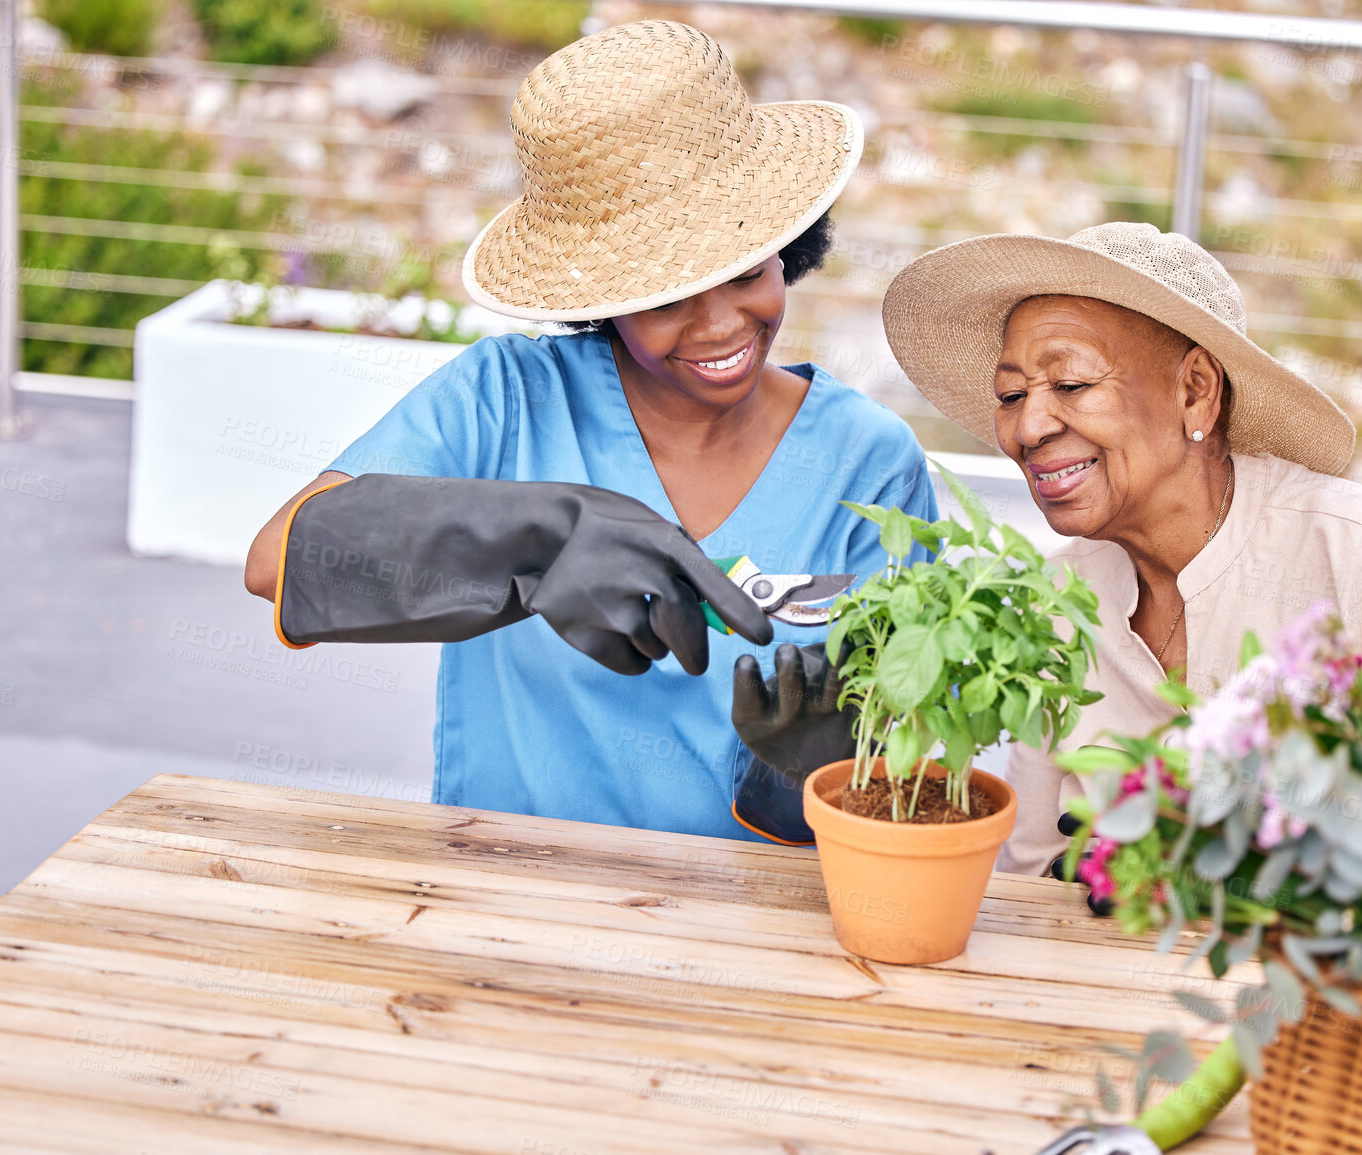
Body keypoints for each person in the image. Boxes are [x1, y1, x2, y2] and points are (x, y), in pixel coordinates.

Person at [243, 20, 935, 845]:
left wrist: (805, 772)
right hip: (503, 894)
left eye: (747, 270)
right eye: (668, 294)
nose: (721, 325)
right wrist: (536, 539)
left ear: (789, 245)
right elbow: (280, 558)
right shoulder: (505, 399)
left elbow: (903, 740)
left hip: (755, 922)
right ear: (600, 294)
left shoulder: (867, 463)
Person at [879, 221, 1362, 877]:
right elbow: (1033, 870)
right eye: (1010, 395)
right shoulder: (1055, 604)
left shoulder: (1359, 551)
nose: (1027, 426)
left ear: (1195, 392)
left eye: (1070, 383)